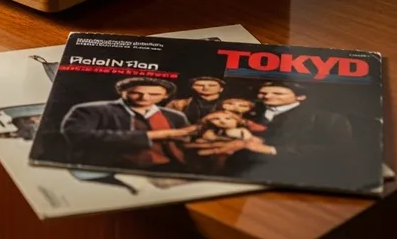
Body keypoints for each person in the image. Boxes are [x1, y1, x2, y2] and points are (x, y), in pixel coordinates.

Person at [197, 81, 356, 186]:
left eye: (278, 93)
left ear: (300, 97)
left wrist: (272, 150)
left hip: (293, 178)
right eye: (263, 93)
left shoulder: (327, 118)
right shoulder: (245, 113)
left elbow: (338, 151)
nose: (267, 97)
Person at [60, 77, 197, 171]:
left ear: (165, 96)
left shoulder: (175, 116)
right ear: (122, 92)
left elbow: (187, 142)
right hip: (112, 169)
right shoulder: (89, 110)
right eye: (135, 93)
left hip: (169, 168)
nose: (145, 98)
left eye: (154, 94)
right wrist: (153, 135)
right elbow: (79, 136)